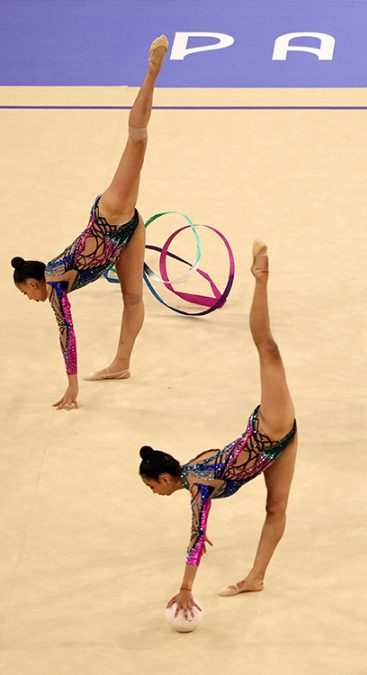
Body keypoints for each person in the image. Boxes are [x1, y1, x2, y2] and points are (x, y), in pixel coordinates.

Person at [138, 242, 299, 618]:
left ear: (164, 478)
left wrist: (184, 589)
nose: (154, 493)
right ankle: (255, 577)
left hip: (269, 430)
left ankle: (261, 279)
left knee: (267, 349)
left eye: (151, 486)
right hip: (277, 444)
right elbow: (216, 456)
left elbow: (195, 540)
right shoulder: (193, 468)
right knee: (275, 508)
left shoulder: (197, 488)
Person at [11, 35, 169, 409]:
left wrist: (72, 387)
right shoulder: (52, 278)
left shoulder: (57, 286)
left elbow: (67, 334)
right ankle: (121, 364)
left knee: (137, 143)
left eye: (26, 293)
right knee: (132, 298)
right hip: (124, 236)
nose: (30, 299)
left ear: (34, 283)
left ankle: (152, 72)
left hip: (110, 217)